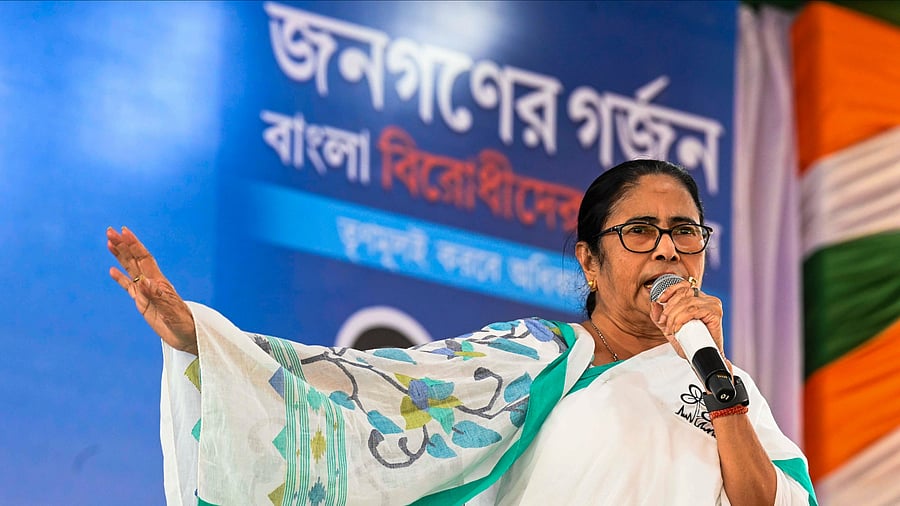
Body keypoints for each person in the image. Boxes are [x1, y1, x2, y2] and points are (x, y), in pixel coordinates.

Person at [107, 159, 816, 505]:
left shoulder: (730, 387)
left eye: (685, 232)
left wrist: (719, 388)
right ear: (590, 263)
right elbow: (368, 397)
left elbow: (765, 502)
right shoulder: (534, 360)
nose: (668, 250)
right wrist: (202, 338)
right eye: (640, 231)